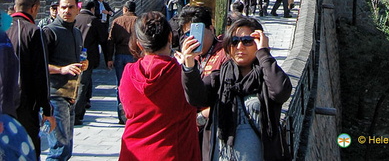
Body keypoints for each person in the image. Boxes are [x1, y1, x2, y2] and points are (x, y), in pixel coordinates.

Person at [181, 16, 292, 161]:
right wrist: (189, 66)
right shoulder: (220, 78)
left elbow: (280, 91)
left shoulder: (267, 77)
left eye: (247, 41)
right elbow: (196, 98)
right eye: (234, 41)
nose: (239, 47)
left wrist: (264, 53)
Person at [119, 12, 199, 161]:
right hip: (173, 152)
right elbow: (199, 100)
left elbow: (127, 110)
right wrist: (190, 67)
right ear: (170, 37)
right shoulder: (182, 74)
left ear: (139, 44)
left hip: (133, 152)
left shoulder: (129, 72)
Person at [6, 0, 56, 156]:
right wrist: (47, 110)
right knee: (26, 150)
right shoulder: (33, 31)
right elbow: (41, 74)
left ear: (15, 7)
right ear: (34, 8)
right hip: (23, 105)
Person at [43, 0, 88, 161]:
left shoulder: (76, 32)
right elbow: (39, 65)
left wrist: (83, 64)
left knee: (66, 149)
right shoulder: (49, 31)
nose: (66, 11)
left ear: (78, 9)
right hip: (54, 95)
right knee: (58, 149)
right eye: (63, 7)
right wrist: (62, 69)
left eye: (70, 7)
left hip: (71, 95)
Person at [74, 0, 106, 125]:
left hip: (71, 57)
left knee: (74, 84)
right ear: (92, 9)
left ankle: (74, 111)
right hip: (87, 58)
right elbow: (103, 38)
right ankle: (77, 114)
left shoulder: (74, 19)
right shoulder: (93, 20)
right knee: (82, 84)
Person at [106, 1, 137, 124]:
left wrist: (109, 58)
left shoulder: (117, 21)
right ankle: (132, 113)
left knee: (120, 84)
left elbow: (110, 40)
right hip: (134, 56)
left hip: (119, 54)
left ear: (124, 9)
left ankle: (121, 114)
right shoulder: (139, 21)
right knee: (134, 84)